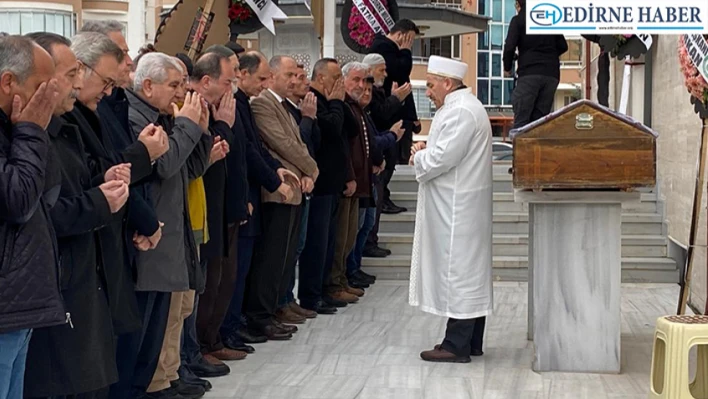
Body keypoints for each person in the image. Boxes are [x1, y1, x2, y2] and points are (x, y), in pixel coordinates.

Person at [24, 32, 133, 398]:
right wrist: (100, 202)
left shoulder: (64, 126)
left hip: (86, 277)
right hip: (58, 287)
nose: (79, 84)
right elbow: (42, 211)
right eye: (71, 74)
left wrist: (104, 180)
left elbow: (75, 183)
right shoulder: (29, 137)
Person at [127, 52, 214, 399]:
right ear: (148, 85)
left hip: (173, 228)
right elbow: (162, 165)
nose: (181, 92)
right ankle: (155, 383)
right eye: (175, 85)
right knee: (155, 320)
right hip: (151, 232)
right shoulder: (136, 116)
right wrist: (188, 126)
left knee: (177, 310)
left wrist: (200, 129)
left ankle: (167, 376)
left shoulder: (163, 115)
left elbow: (188, 168)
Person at [409, 56, 493, 363]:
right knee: (467, 271)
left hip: (458, 208)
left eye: (430, 85)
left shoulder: (460, 112)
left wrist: (418, 157)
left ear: (448, 83)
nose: (428, 91)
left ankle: (456, 345)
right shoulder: (464, 108)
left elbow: (443, 158)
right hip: (459, 204)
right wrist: (427, 150)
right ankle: (470, 341)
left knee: (459, 272)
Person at [0, 35, 63, 399]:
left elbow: (48, 188)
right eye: (42, 88)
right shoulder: (24, 127)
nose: (49, 98)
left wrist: (32, 131)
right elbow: (19, 199)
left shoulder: (18, 124)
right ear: (8, 82)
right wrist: (31, 130)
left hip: (19, 303)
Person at [220, 51, 296, 347]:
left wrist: (276, 171)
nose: (265, 84)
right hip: (240, 198)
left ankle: (236, 324)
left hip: (249, 196)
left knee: (245, 267)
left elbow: (256, 148)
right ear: (243, 75)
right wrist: (274, 180)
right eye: (262, 77)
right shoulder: (235, 105)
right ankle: (229, 329)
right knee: (233, 273)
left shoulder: (243, 105)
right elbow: (245, 154)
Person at [244, 55, 317, 341]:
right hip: (277, 192)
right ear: (272, 76)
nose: (294, 80)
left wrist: (308, 173)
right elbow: (281, 144)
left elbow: (297, 143)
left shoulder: (285, 106)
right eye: (288, 75)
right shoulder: (263, 103)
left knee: (285, 257)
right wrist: (312, 168)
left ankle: (275, 307)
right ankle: (262, 314)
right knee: (271, 258)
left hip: (294, 188)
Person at [194, 45, 249, 364]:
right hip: (205, 210)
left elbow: (238, 155)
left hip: (226, 205)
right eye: (228, 80)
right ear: (205, 81)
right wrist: (223, 125)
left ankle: (212, 339)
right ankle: (201, 345)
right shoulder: (198, 109)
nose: (233, 87)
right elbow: (209, 151)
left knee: (222, 279)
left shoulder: (226, 108)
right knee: (208, 283)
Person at [298, 58, 347, 314]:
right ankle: (311, 295)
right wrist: (338, 101)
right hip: (318, 184)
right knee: (316, 244)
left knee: (328, 241)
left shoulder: (331, 100)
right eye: (335, 76)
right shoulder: (312, 99)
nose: (340, 82)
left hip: (332, 184)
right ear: (320, 78)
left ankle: (323, 289)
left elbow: (344, 129)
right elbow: (332, 128)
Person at [277, 63, 320, 324]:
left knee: (297, 246)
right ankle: (281, 301)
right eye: (294, 76)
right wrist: (307, 118)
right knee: (288, 250)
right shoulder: (283, 109)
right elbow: (292, 146)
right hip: (292, 184)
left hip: (305, 182)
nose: (301, 82)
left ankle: (287, 299)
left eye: (302, 76)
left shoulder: (300, 109)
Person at [360, 53, 408, 258]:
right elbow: (380, 115)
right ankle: (368, 244)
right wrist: (396, 98)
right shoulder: (364, 99)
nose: (386, 74)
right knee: (368, 213)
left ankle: (371, 241)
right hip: (372, 159)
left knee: (374, 209)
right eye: (382, 70)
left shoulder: (379, 91)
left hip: (381, 155)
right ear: (369, 71)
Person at [370, 18, 420, 213]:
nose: (410, 45)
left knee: (394, 158)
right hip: (388, 113)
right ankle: (382, 198)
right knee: (389, 158)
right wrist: (406, 51)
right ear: (401, 35)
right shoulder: (383, 47)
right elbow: (401, 71)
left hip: (396, 109)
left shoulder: (389, 48)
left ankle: (385, 196)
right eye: (410, 40)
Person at [503, 0, 568, 128]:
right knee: (539, 123)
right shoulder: (549, 20)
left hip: (529, 74)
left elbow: (509, 47)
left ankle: (521, 148)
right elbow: (563, 46)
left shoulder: (518, 20)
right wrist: (550, 55)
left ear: (518, 4)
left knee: (521, 122)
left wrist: (507, 67)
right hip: (551, 75)